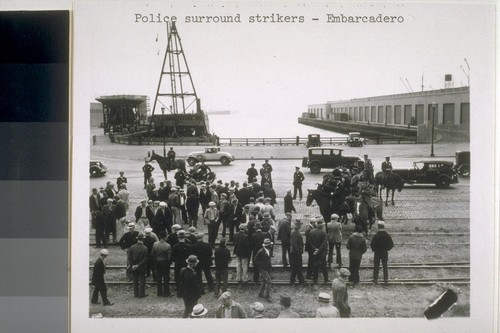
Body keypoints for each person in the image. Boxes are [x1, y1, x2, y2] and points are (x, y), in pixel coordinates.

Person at [151, 231, 173, 297]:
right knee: (166, 278)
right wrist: (169, 263)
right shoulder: (168, 246)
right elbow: (169, 257)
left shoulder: (155, 244)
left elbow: (152, 254)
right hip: (165, 263)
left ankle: (159, 292)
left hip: (158, 263)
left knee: (159, 278)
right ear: (165, 237)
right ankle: (166, 293)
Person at [172, 230, 192, 297]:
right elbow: (190, 256)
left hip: (177, 264)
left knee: (178, 278)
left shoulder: (175, 246)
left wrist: (175, 261)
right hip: (185, 264)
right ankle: (186, 292)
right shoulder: (188, 246)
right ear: (184, 238)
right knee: (186, 278)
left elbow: (173, 257)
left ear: (178, 238)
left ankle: (179, 293)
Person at [309, 219, 329, 284]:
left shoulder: (311, 232)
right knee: (323, 266)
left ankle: (315, 279)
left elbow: (310, 242)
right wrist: (319, 250)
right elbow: (324, 243)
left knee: (315, 266)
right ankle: (326, 279)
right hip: (322, 252)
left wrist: (315, 249)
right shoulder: (323, 232)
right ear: (321, 226)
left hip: (314, 252)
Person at [128, 233, 149, 298]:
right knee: (142, 280)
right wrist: (138, 265)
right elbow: (145, 259)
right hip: (141, 267)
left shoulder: (132, 247)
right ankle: (141, 294)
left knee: (135, 280)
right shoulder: (145, 248)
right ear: (143, 240)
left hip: (133, 266)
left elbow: (129, 258)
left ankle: (136, 294)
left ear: (137, 239)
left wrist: (132, 265)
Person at [289, 219, 305, 286]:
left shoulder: (295, 231)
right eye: (300, 224)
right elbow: (294, 244)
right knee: (296, 267)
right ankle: (300, 281)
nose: (301, 226)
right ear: (297, 225)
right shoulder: (294, 232)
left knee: (296, 268)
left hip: (296, 253)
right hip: (295, 253)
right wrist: (298, 252)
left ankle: (295, 281)